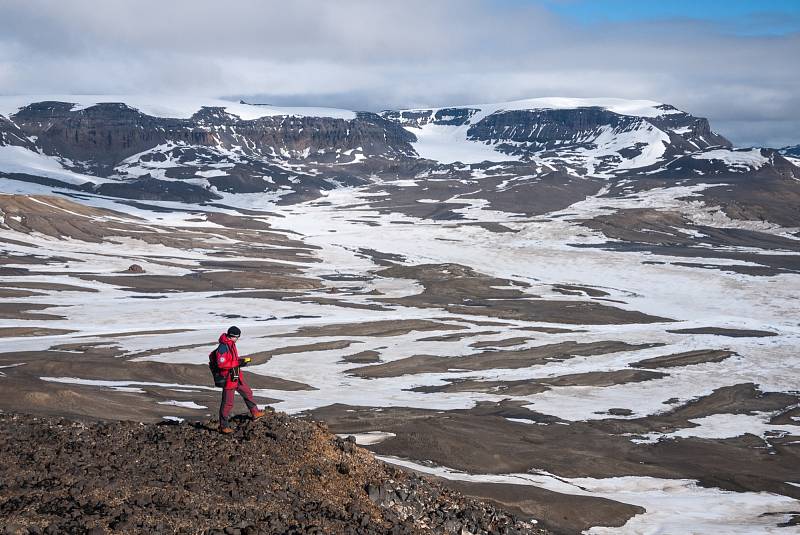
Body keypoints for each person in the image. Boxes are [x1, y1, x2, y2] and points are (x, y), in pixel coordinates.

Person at [213, 326, 264, 434]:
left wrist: (241, 361)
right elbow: (221, 364)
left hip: (235, 375)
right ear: (234, 336)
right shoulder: (223, 347)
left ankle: (255, 413)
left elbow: (232, 360)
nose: (237, 339)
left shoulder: (231, 344)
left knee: (247, 392)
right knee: (227, 403)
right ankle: (223, 426)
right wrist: (238, 363)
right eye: (237, 337)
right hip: (228, 378)